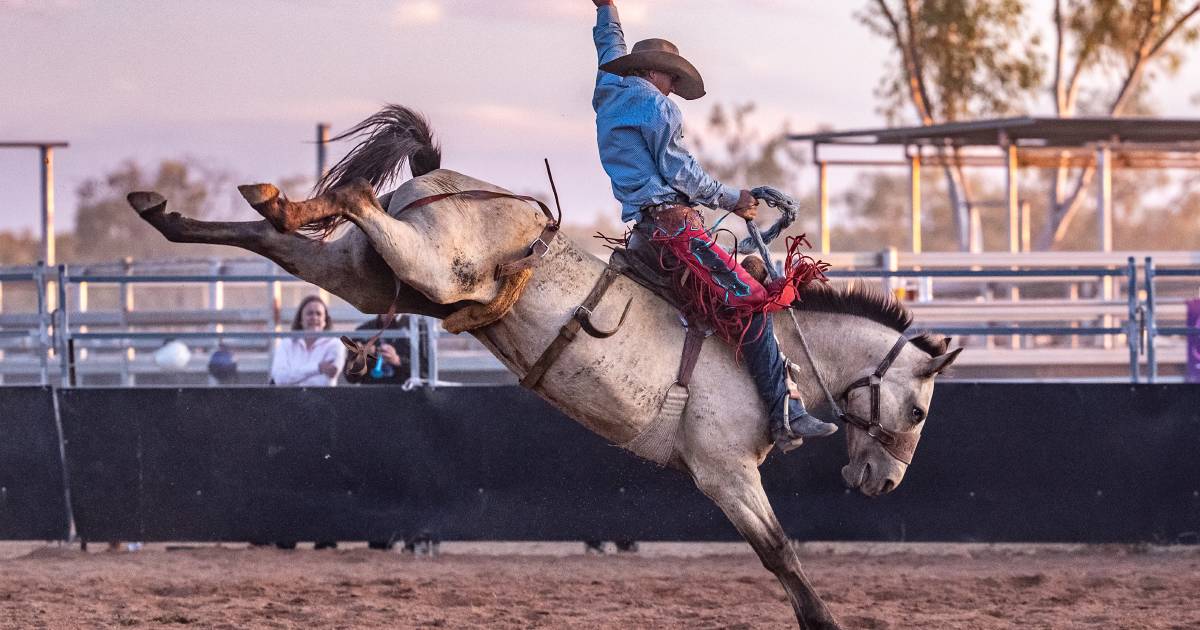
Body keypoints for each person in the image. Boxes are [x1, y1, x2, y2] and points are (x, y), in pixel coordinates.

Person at [590, 0, 837, 450]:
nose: (673, 87)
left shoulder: (608, 88)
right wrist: (734, 199)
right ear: (656, 73)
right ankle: (785, 414)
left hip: (645, 229)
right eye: (672, 78)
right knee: (753, 301)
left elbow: (608, 47)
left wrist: (607, 9)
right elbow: (681, 173)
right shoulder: (656, 107)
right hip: (676, 230)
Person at [269, 295, 346, 387]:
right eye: (309, 313)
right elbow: (279, 379)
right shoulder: (286, 343)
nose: (314, 317)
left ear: (325, 321)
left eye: (318, 314)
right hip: (289, 398)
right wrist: (318, 367)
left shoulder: (335, 344)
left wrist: (293, 375)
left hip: (321, 399)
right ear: (300, 320)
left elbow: (331, 373)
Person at [343, 314, 428, 387]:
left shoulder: (418, 327)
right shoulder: (363, 330)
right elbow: (351, 378)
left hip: (407, 396)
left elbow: (426, 373)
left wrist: (398, 361)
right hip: (372, 397)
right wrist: (361, 359)